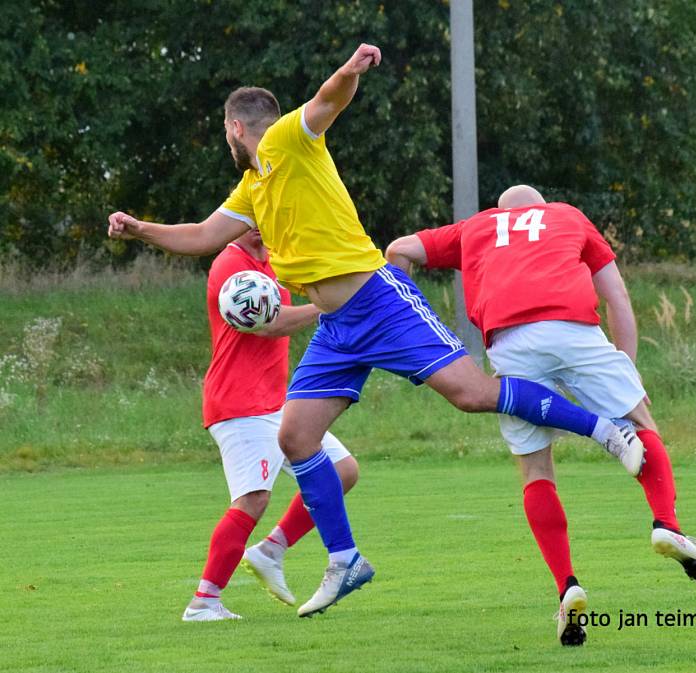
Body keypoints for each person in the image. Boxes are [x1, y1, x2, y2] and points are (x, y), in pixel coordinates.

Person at [108, 43, 643, 618]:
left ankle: (606, 430)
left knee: (472, 394)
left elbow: (325, 103)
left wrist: (349, 70)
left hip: (376, 298)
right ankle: (345, 560)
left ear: (236, 127)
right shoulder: (252, 188)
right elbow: (202, 235)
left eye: (224, 131)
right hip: (337, 325)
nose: (225, 140)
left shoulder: (289, 138)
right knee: (296, 436)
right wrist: (141, 229)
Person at [385, 184, 696, 646]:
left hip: (511, 344)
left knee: (536, 470)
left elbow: (399, 249)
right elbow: (618, 299)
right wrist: (628, 369)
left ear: (499, 212)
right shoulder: (568, 215)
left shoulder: (475, 227)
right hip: (574, 330)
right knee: (641, 425)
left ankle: (567, 587)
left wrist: (411, 310)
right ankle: (667, 524)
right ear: (540, 209)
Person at [182, 228, 359, 622]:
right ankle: (203, 603)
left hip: (274, 401)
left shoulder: (273, 258)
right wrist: (327, 306)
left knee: (342, 471)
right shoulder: (230, 264)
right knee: (253, 499)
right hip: (239, 403)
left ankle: (269, 551)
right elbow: (268, 324)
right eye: (251, 216)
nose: (262, 222)